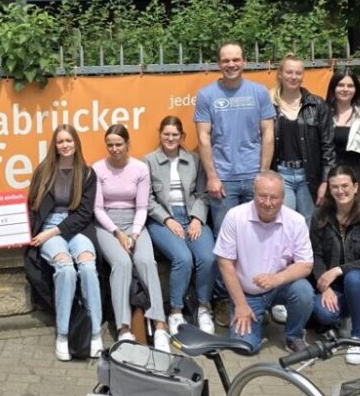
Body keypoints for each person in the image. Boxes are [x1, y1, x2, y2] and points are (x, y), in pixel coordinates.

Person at [212, 171, 315, 355]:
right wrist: (241, 305)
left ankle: (294, 336)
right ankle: (243, 310)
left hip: (280, 286)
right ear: (254, 193)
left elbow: (306, 264)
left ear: (283, 198)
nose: (268, 203)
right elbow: (225, 263)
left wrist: (276, 279)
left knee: (304, 291)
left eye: (274, 197)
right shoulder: (235, 216)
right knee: (245, 347)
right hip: (247, 293)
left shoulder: (296, 221)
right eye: (262, 196)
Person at [25, 124, 104, 361]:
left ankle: (95, 332)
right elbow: (32, 205)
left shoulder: (88, 174)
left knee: (88, 267)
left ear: (76, 143)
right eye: (61, 141)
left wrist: (55, 232)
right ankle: (63, 333)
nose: (65, 145)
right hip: (48, 227)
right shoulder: (44, 171)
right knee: (66, 269)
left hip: (77, 227)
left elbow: (83, 214)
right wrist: (31, 234)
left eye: (69, 141)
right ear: (55, 145)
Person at [93, 124, 169, 350]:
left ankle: (160, 325)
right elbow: (97, 209)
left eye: (118, 144)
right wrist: (117, 234)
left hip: (136, 223)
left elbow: (143, 207)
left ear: (128, 144)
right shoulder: (98, 169)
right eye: (110, 145)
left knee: (146, 261)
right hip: (107, 224)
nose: (114, 149)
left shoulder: (140, 168)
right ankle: (124, 328)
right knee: (122, 263)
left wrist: (134, 235)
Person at [144, 116, 217, 335]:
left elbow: (203, 194)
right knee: (183, 259)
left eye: (175, 134)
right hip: (163, 219)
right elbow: (147, 199)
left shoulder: (194, 160)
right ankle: (176, 311)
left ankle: (203, 307)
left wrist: (196, 219)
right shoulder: (148, 161)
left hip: (192, 215)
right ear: (160, 135)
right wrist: (167, 220)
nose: (170, 138)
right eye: (166, 134)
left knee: (207, 257)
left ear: (182, 136)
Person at [196, 41, 276, 233]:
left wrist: (263, 173)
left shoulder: (260, 92)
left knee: (258, 236)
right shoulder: (206, 95)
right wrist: (212, 177)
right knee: (226, 238)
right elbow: (203, 138)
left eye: (235, 59)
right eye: (226, 60)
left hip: (254, 177)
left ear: (244, 62)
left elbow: (268, 134)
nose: (231, 64)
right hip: (223, 181)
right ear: (218, 64)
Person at [309, 165, 360, 364]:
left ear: (356, 187)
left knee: (353, 277)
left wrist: (338, 269)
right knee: (324, 313)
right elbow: (315, 255)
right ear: (329, 189)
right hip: (335, 287)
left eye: (345, 186)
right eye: (335, 187)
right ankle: (345, 319)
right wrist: (324, 286)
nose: (340, 191)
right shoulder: (320, 215)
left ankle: (358, 339)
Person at [269, 54, 335, 224]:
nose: (294, 77)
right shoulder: (269, 105)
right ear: (280, 74)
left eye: (298, 73)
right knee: (285, 224)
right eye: (289, 72)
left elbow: (328, 146)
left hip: (309, 175)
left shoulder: (317, 105)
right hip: (281, 174)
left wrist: (325, 181)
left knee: (310, 224)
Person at [324, 70, 360, 207]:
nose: (345, 89)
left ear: (356, 89)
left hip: (356, 176)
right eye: (341, 85)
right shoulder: (322, 114)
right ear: (333, 88)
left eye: (350, 86)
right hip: (329, 177)